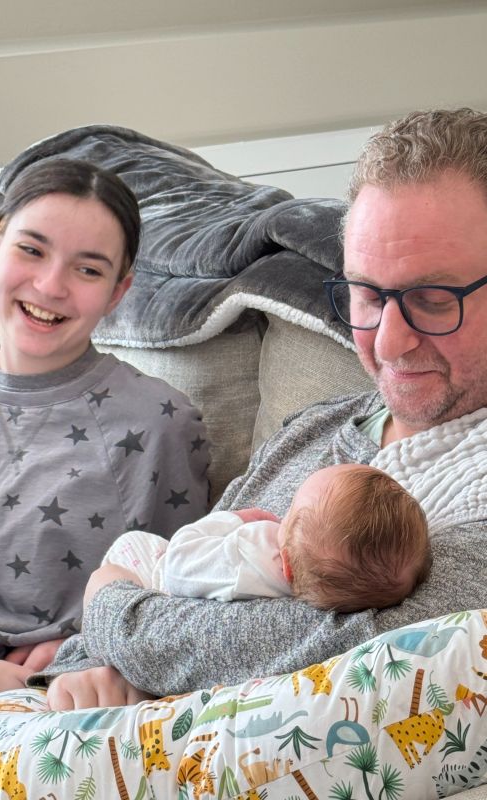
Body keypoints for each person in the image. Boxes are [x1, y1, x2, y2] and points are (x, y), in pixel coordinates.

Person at [34, 107, 487, 712]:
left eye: (434, 299)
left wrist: (111, 606)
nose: (387, 342)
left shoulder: (473, 483)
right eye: (368, 294)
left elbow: (367, 657)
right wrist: (86, 666)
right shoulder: (314, 431)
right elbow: (182, 562)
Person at [0, 157, 209, 775]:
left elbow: (173, 604)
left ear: (119, 291)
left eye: (88, 269)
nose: (51, 285)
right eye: (32, 251)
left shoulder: (161, 423)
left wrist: (80, 655)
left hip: (51, 713)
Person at [100, 463, 431, 613]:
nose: (279, 518)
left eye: (289, 512)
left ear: (285, 566)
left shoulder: (252, 556)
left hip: (158, 579)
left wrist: (234, 519)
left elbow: (177, 562)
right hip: (185, 580)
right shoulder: (322, 586)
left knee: (131, 543)